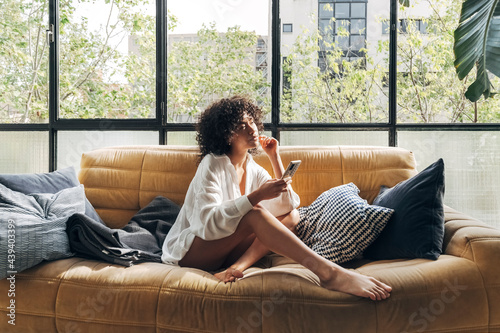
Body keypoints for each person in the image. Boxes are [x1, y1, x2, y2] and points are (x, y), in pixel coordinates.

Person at [161, 95, 392, 301]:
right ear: (226, 134)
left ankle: (236, 267)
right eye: (242, 125)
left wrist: (275, 157)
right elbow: (206, 224)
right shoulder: (213, 163)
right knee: (255, 214)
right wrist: (255, 197)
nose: (252, 128)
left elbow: (289, 203)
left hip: (225, 253)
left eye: (252, 121)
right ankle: (329, 273)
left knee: (291, 216)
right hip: (192, 253)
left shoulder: (251, 167)